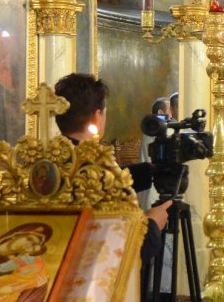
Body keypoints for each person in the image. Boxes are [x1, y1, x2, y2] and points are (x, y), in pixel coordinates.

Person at [53, 74, 170, 265]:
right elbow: (128, 249)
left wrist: (149, 171)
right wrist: (153, 225)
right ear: (96, 116)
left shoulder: (46, 165)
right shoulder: (99, 170)